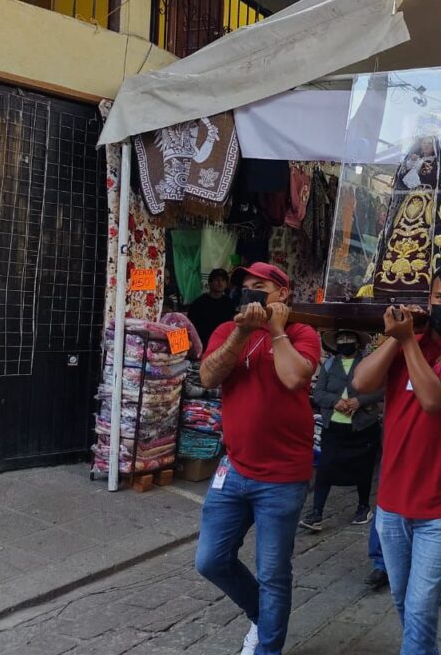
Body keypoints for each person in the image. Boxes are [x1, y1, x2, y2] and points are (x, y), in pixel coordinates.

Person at [352, 262, 441, 655]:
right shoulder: (409, 340)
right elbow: (361, 382)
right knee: (404, 599)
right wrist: (396, 339)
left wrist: (408, 342)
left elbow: (434, 399)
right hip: (393, 500)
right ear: (429, 299)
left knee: (420, 604)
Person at [195, 262, 321, 655]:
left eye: (260, 286)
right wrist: (242, 332)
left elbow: (295, 378)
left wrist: (276, 329)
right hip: (234, 468)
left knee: (273, 573)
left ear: (282, 294)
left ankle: (268, 648)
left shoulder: (302, 333)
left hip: (283, 477)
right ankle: (261, 616)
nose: (250, 292)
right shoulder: (227, 330)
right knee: (210, 560)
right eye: (245, 286)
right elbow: (208, 377)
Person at [299, 330, 384, 531]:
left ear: (357, 342)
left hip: (362, 425)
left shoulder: (369, 363)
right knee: (325, 469)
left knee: (363, 468)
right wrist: (335, 401)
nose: (344, 342)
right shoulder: (329, 364)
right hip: (334, 427)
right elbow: (318, 393)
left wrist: (359, 401)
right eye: (340, 339)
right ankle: (316, 513)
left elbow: (381, 389)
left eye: (349, 339)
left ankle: (363, 507)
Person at [188, 268, 237, 345]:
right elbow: (190, 327)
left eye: (223, 280)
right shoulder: (199, 303)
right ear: (210, 283)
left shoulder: (229, 302)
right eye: (217, 280)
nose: (220, 283)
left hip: (224, 343)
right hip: (204, 343)